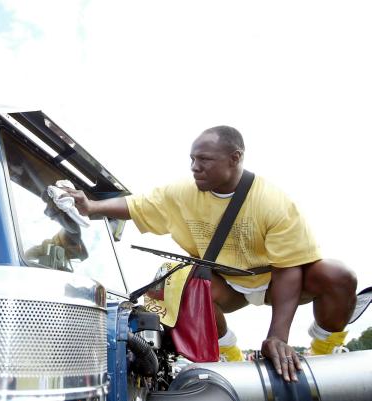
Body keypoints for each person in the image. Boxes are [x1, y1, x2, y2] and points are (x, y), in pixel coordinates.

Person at [64, 125, 357, 383]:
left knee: (337, 275)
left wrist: (277, 337)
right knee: (178, 280)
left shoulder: (272, 201)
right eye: (192, 159)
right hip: (229, 285)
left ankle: (323, 352)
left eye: (204, 159)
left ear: (235, 158)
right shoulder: (182, 192)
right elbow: (137, 206)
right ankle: (229, 355)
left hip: (275, 280)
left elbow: (288, 270)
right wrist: (92, 207)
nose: (194, 167)